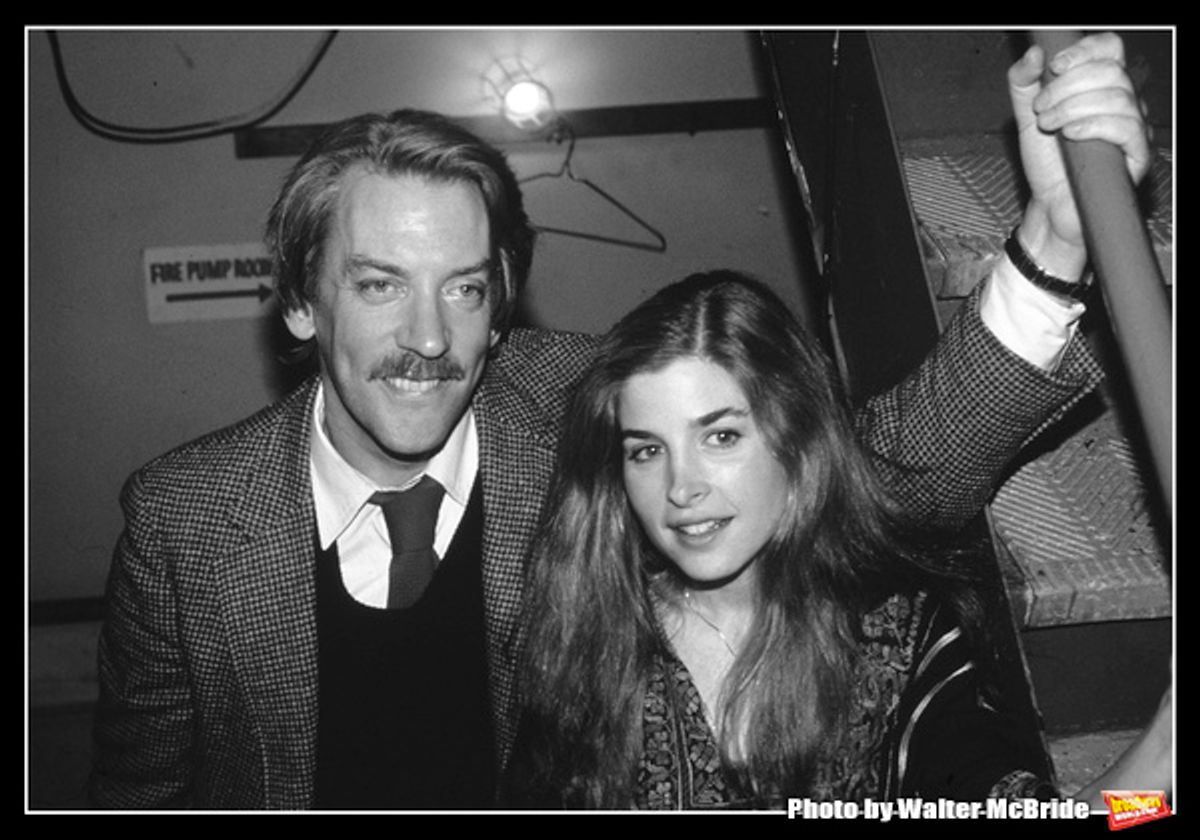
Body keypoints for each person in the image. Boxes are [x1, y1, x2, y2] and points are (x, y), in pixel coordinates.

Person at [89, 32, 1148, 809]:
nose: (428, 337)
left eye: (463, 288)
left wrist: (1055, 239)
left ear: (502, 301)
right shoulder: (185, 523)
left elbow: (879, 473)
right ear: (300, 301)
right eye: (378, 286)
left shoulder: (588, 416)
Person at [504, 269, 1172, 810]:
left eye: (721, 436)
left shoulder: (893, 638)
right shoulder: (585, 633)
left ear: (796, 443)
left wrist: (1162, 761)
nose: (682, 486)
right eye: (646, 450)